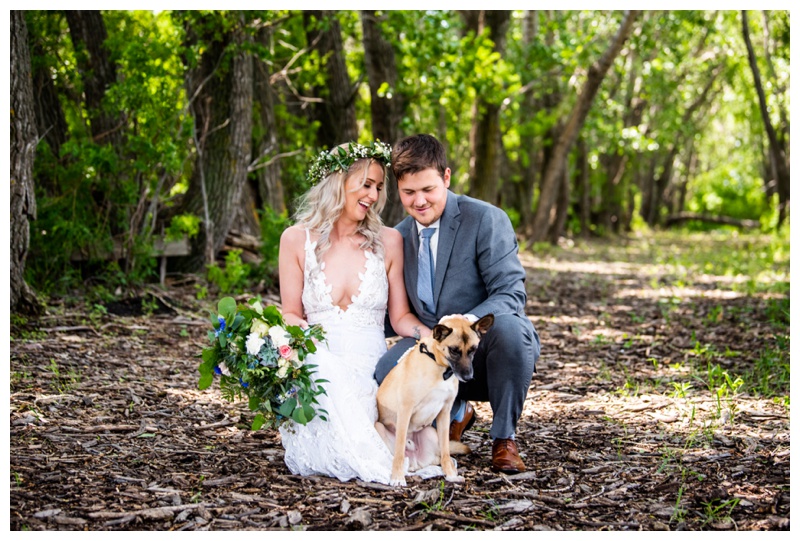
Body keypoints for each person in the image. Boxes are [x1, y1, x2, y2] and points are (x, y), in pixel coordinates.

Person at [277, 141, 445, 484]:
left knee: (373, 419)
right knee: (323, 371)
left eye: (380, 187)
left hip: (371, 369)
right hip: (319, 362)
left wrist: (431, 337)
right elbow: (292, 313)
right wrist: (294, 345)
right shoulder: (295, 240)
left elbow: (399, 318)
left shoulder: (389, 241)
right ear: (338, 181)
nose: (373, 194)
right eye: (366, 184)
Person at [374, 134, 541, 474]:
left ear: (446, 178)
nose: (419, 201)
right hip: (428, 349)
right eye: (409, 193)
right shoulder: (398, 237)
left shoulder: (484, 219)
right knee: (383, 371)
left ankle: (504, 437)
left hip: (480, 350)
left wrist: (463, 325)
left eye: (428, 190)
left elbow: (511, 293)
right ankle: (454, 412)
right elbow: (390, 310)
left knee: (513, 331)